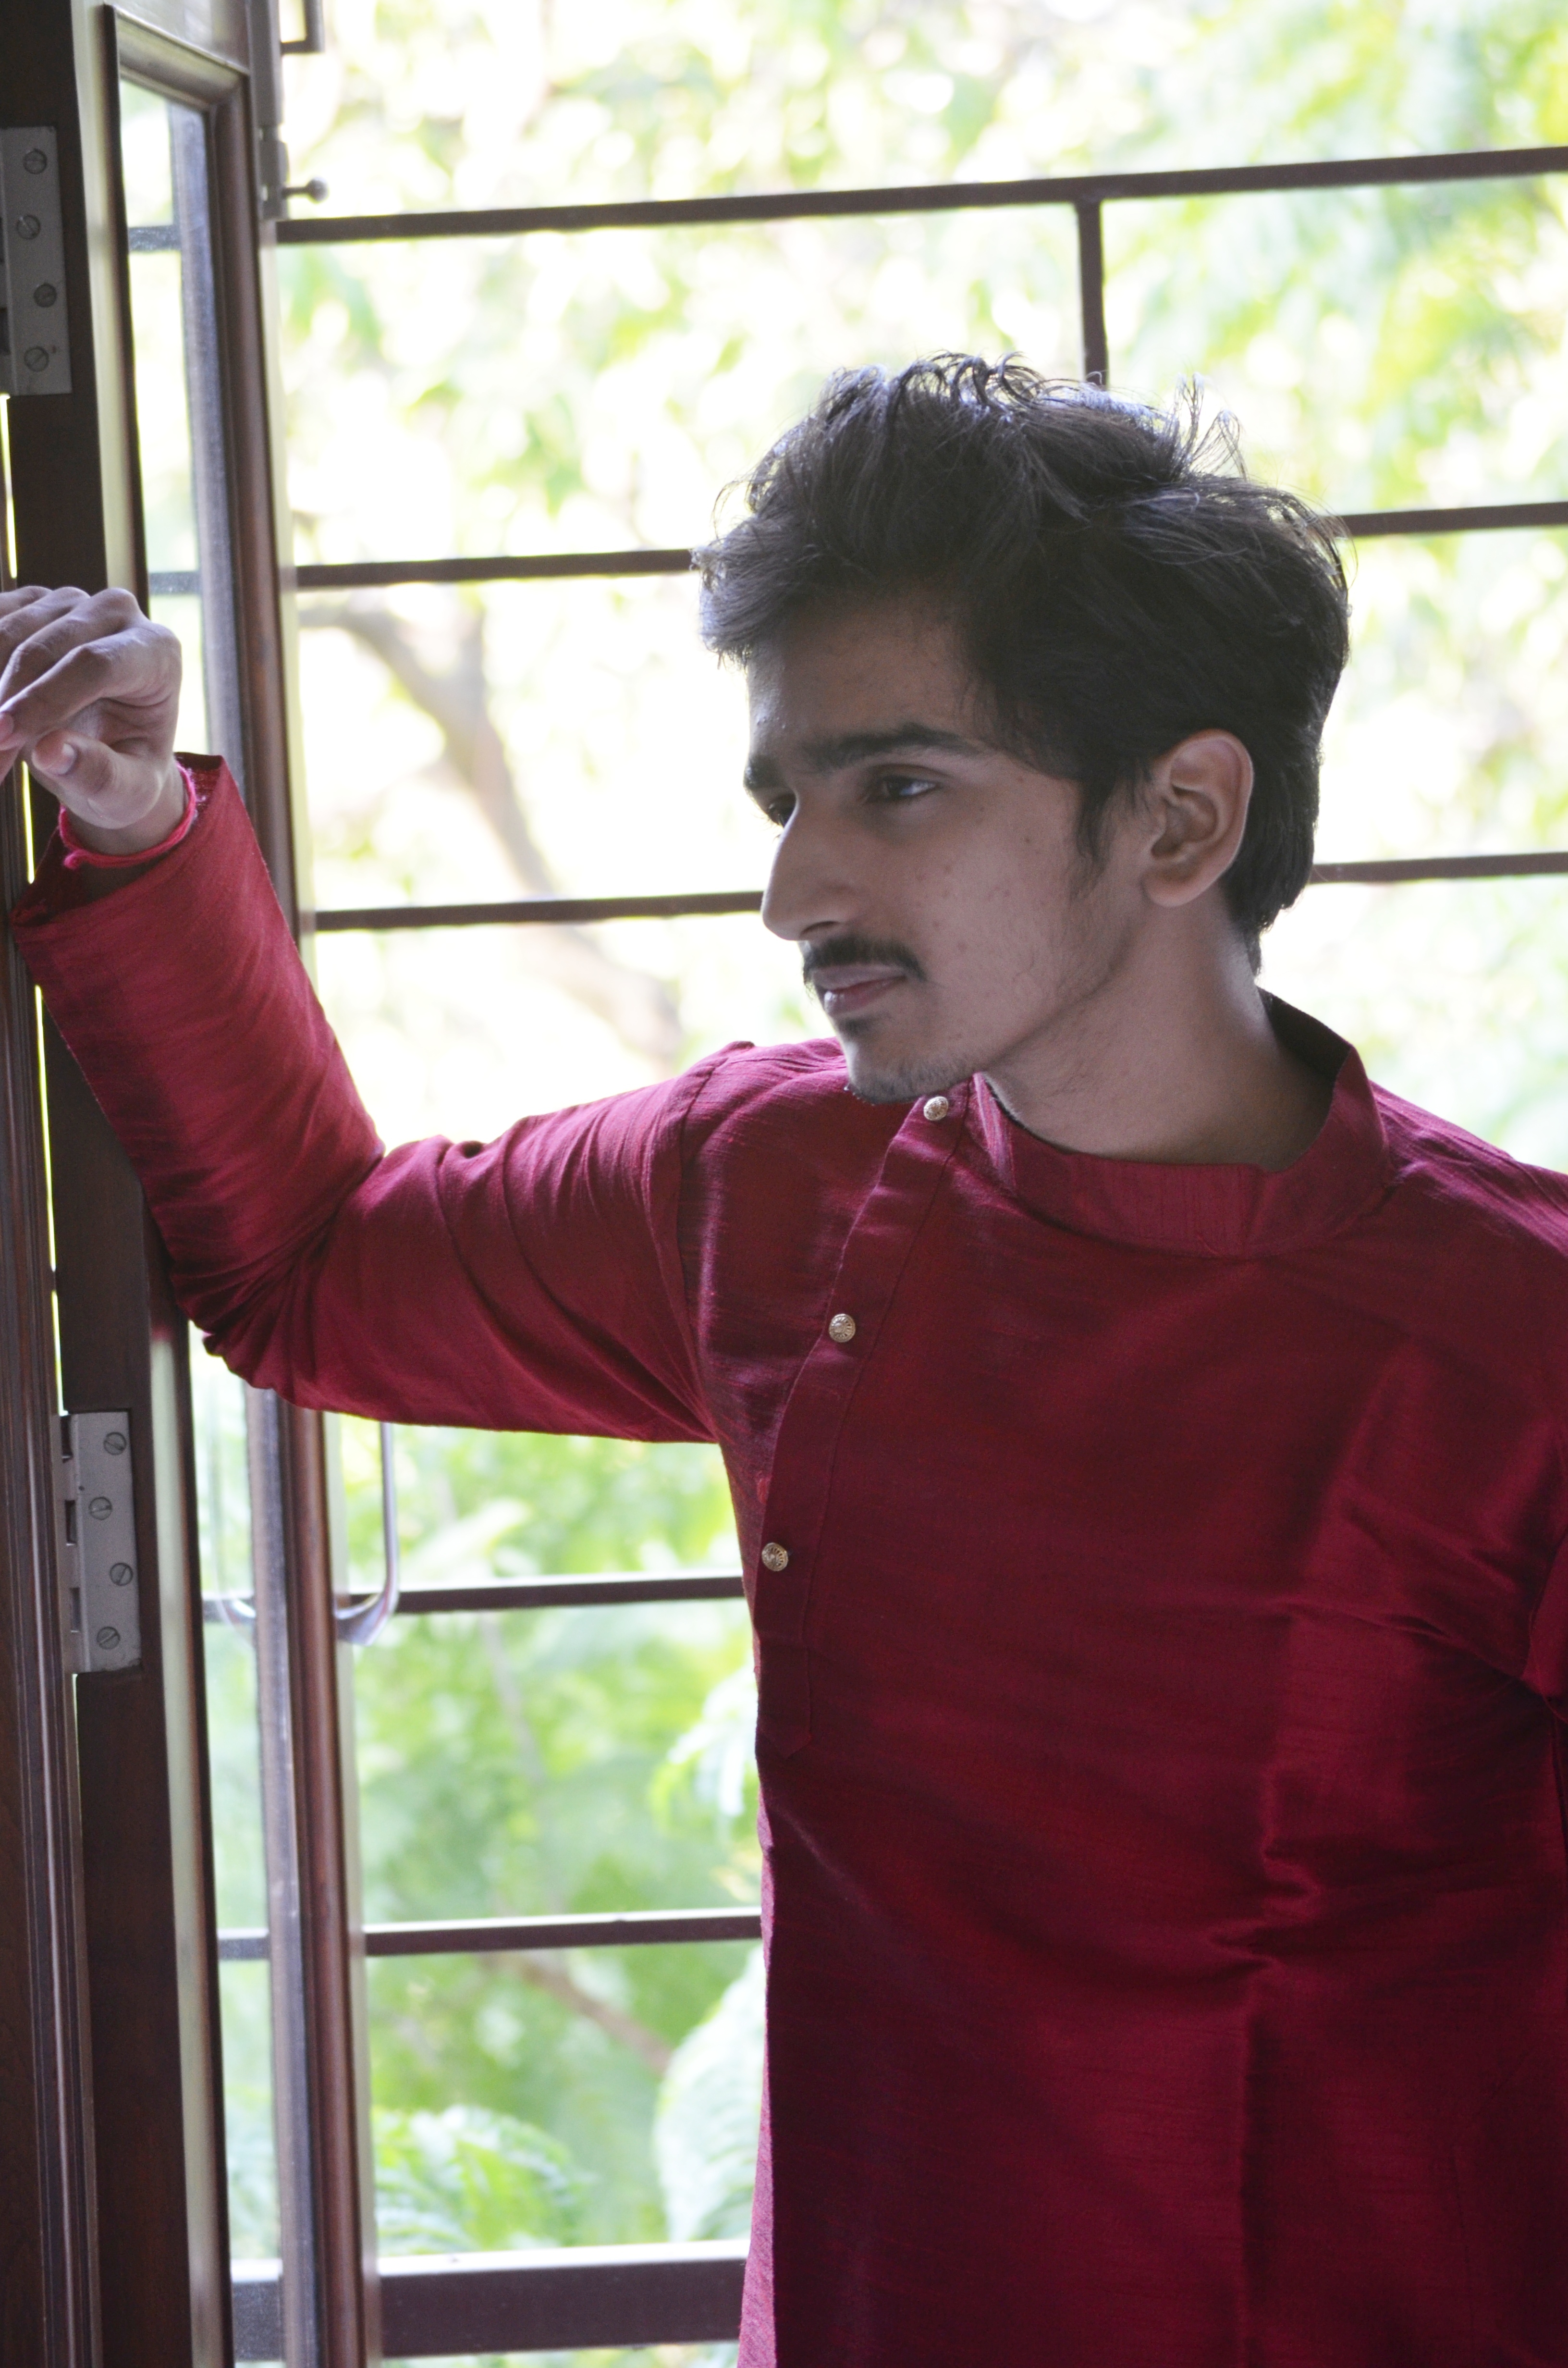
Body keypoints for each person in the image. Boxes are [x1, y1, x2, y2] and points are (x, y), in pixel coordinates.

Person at [4, 356, 1567, 2368]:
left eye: (897, 785)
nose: (792, 893)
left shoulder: (1510, 1338)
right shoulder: (775, 1184)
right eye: (787, 799)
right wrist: (136, 812)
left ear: (1181, 816)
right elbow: (313, 1269)